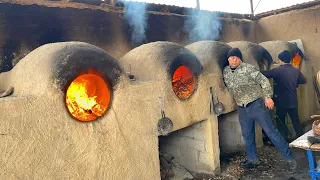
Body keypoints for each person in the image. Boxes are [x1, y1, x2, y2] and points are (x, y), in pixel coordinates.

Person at [223, 48, 297, 169]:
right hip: (242, 108)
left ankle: (290, 158)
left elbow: (263, 81)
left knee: (271, 132)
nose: (234, 59)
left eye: (236, 57)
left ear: (240, 58)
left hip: (256, 104)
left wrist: (268, 97)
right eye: (231, 57)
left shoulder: (248, 68)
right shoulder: (225, 71)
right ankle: (253, 160)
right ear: (228, 59)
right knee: (247, 135)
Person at [262, 50, 306, 141]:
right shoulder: (295, 70)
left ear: (281, 60)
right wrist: (295, 82)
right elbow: (303, 80)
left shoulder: (278, 70)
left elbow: (265, 74)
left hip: (281, 101)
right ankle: (301, 140)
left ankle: (284, 139)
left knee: (280, 121)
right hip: (293, 100)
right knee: (296, 121)